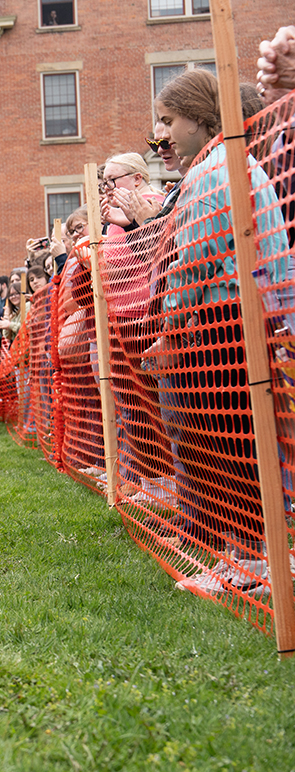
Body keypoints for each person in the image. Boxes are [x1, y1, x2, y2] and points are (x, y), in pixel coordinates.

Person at [145, 69, 291, 597]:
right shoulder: (226, 166)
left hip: (222, 326)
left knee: (227, 444)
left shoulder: (213, 173)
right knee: (232, 443)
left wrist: (173, 328)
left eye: (168, 120)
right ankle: (246, 556)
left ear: (201, 118)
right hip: (237, 320)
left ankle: (256, 561)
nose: (163, 134)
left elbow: (195, 260)